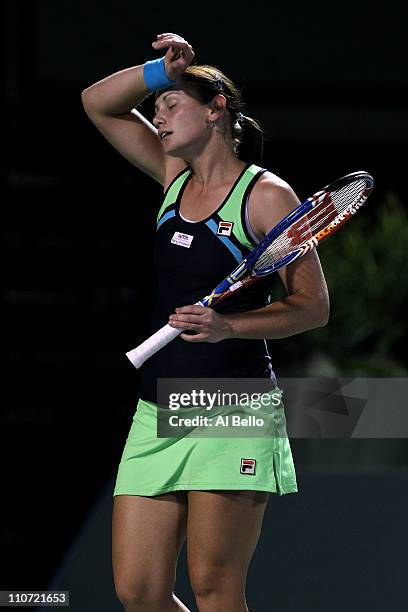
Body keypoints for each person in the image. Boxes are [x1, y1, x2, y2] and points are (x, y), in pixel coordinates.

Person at [81, 32, 329, 612]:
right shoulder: (172, 176)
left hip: (232, 405)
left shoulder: (266, 196)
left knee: (216, 589)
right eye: (158, 107)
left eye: (172, 105)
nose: (159, 117)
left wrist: (226, 328)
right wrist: (159, 72)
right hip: (158, 405)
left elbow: (312, 307)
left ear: (216, 108)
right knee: (138, 591)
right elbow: (98, 102)